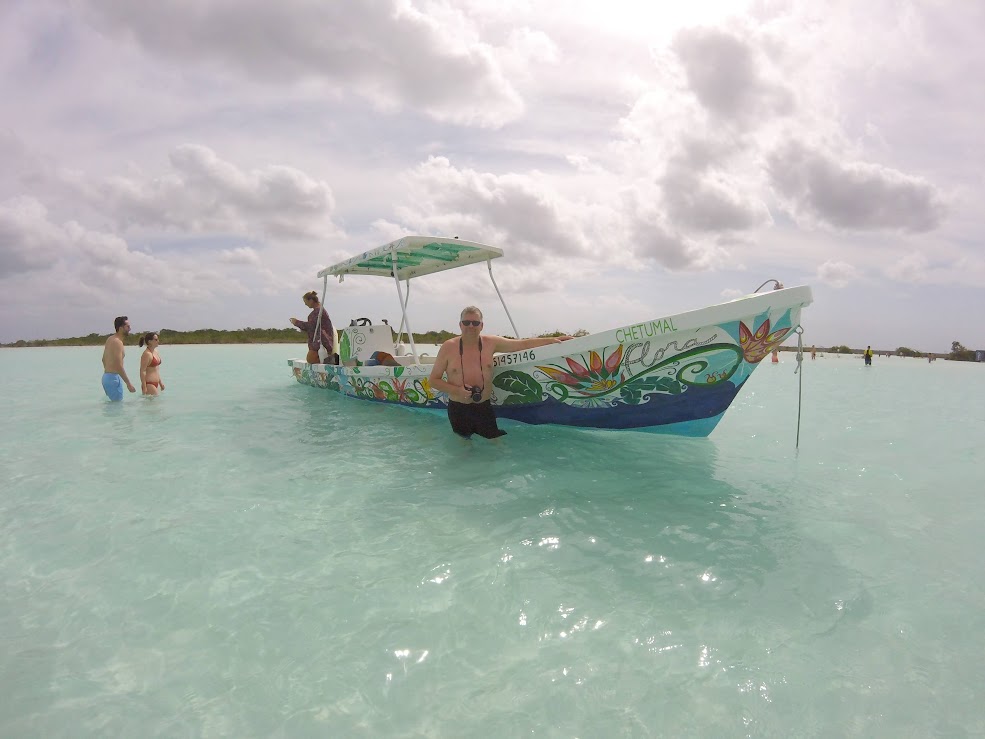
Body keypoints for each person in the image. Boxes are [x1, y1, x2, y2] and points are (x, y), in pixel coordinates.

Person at [428, 306, 572, 439]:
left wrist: (553, 340)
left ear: (482, 326)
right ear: (460, 325)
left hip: (483, 407)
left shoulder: (491, 343)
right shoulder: (449, 347)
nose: (470, 326)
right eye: (466, 322)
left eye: (475, 323)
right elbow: (433, 380)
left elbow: (521, 344)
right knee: (464, 448)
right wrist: (457, 390)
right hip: (458, 408)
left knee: (495, 445)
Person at [290, 291, 335, 365]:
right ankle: (331, 361)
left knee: (311, 359)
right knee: (312, 358)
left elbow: (311, 326)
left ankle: (333, 361)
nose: (305, 304)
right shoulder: (319, 310)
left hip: (321, 340)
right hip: (322, 340)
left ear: (311, 300)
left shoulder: (318, 312)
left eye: (305, 302)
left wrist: (296, 322)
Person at [101, 316, 136, 400]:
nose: (130, 329)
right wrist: (128, 383)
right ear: (120, 328)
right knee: (116, 408)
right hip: (113, 379)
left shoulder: (110, 339)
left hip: (107, 377)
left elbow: (103, 359)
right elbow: (118, 365)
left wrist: (108, 373)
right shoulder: (117, 342)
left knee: (113, 408)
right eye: (127, 326)